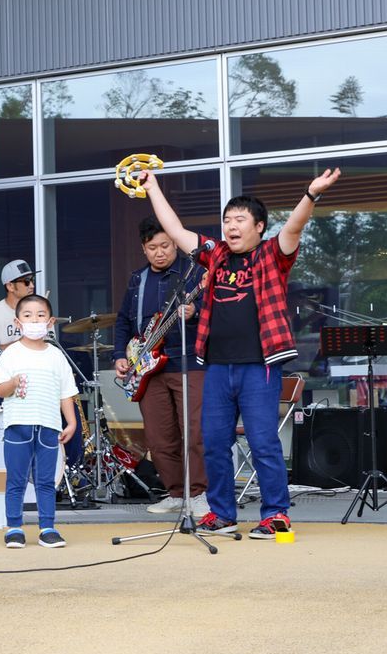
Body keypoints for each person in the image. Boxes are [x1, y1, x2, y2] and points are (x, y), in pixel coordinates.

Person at [142, 167, 340, 539]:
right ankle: (221, 513)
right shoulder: (214, 255)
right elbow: (176, 231)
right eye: (226, 220)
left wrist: (310, 195)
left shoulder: (271, 254)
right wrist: (153, 187)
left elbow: (294, 229)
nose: (230, 227)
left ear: (259, 226)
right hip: (216, 366)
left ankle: (275, 513)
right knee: (214, 441)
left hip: (259, 366)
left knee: (264, 441)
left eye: (239, 220)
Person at [113, 216, 208, 516]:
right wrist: (119, 354)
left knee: (194, 431)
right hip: (149, 369)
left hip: (189, 362)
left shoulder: (194, 274)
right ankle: (176, 493)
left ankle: (200, 493)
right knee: (158, 436)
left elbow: (216, 311)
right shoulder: (137, 280)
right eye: (153, 247)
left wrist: (195, 311)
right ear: (144, 248)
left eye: (166, 245)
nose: (160, 252)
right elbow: (124, 321)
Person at [0, 294, 78, 548]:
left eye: (40, 315)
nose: (34, 320)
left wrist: (71, 422)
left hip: (49, 426)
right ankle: (14, 527)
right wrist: (12, 383)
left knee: (46, 481)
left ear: (50, 322)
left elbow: (67, 392)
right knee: (16, 480)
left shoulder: (56, 356)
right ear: (18, 322)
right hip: (18, 425)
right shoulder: (10, 354)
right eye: (28, 316)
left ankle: (47, 527)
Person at [0, 260, 38, 349]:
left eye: (33, 280)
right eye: (26, 281)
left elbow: (49, 344)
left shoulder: (40, 312)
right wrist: (23, 342)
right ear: (10, 286)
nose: (32, 286)